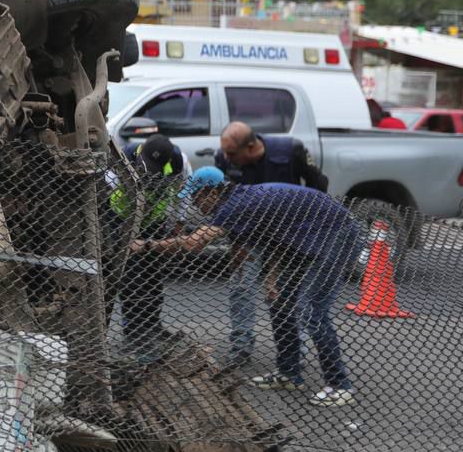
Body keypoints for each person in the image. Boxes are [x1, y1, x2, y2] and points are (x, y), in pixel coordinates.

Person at [134, 167, 360, 407]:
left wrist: (146, 245)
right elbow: (278, 239)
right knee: (280, 302)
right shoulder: (241, 204)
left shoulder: (235, 207)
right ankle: (289, 373)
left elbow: (193, 243)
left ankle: (339, 385)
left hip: (338, 234)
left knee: (313, 310)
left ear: (211, 192)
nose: (194, 204)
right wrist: (272, 278)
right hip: (311, 238)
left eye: (196, 197)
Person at [216, 121, 328, 368]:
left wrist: (307, 228)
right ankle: (241, 345)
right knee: (241, 284)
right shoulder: (225, 159)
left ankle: (293, 346)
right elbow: (227, 205)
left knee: (285, 291)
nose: (226, 157)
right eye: (224, 152)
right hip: (250, 231)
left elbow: (319, 185)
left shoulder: (291, 151)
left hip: (288, 233)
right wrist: (236, 246)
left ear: (252, 146)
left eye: (232, 153)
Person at [107, 134, 189, 359]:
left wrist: (178, 224)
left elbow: (182, 193)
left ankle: (153, 325)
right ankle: (133, 334)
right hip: (122, 219)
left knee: (153, 276)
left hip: (154, 222)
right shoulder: (125, 157)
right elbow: (105, 188)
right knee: (131, 279)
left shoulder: (179, 162)